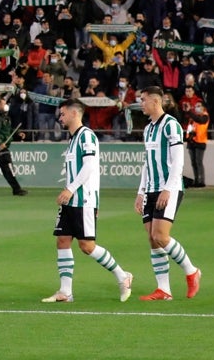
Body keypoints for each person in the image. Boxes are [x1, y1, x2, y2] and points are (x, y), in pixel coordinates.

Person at [42, 99, 133, 303]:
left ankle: (122, 275)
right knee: (63, 240)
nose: (60, 117)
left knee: (87, 246)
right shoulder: (73, 139)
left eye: (63, 114)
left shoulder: (87, 136)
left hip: (83, 199)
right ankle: (66, 292)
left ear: (75, 113)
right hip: (71, 201)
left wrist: (71, 189)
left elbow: (90, 166)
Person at [135, 87, 201, 301]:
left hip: (168, 188)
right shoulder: (148, 129)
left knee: (160, 236)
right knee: (152, 239)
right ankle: (163, 289)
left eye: (143, 100)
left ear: (155, 101)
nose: (141, 104)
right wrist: (140, 191)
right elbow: (146, 162)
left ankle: (192, 271)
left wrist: (167, 188)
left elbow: (178, 161)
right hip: (151, 189)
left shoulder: (170, 124)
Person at [184, 101, 209, 188]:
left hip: (200, 141)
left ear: (203, 107)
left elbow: (200, 121)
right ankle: (197, 180)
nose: (196, 108)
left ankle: (201, 180)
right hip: (192, 141)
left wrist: (189, 112)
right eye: (196, 106)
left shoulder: (205, 116)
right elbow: (190, 127)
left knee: (199, 162)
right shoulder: (193, 117)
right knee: (193, 162)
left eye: (198, 106)